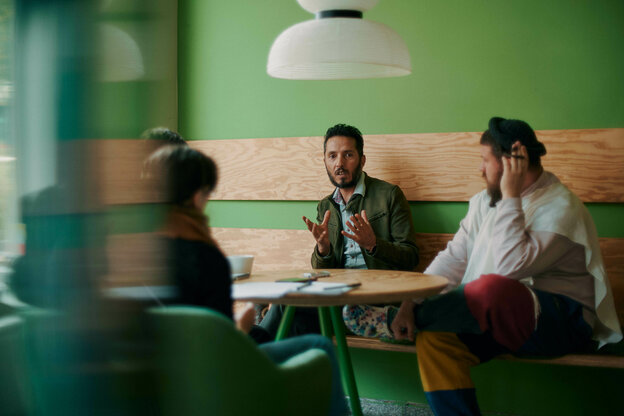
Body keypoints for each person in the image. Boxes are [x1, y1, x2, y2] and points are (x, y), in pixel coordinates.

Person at [379, 117, 623, 415]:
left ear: (511, 163)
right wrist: (409, 301)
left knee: (495, 287)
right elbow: (454, 257)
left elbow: (508, 269)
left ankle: (412, 317)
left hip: (561, 323)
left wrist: (511, 195)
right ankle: (417, 318)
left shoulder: (560, 208)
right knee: (436, 341)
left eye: (485, 160)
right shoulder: (483, 202)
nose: (479, 169)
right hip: (500, 322)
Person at [145, 145, 348, 416]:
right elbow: (220, 341)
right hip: (219, 375)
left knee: (279, 312)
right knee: (320, 346)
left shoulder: (139, 250)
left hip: (164, 376)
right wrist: (244, 323)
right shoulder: (206, 257)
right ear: (196, 196)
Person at [259, 123, 419, 338]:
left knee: (284, 312)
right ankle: (256, 348)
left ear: (362, 160)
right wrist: (323, 250)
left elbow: (411, 256)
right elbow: (322, 270)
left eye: (348, 155)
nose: (339, 164)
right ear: (325, 161)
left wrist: (374, 245)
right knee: (283, 307)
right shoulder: (326, 206)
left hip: (377, 295)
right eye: (332, 156)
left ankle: (250, 348)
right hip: (337, 296)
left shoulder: (389, 195)